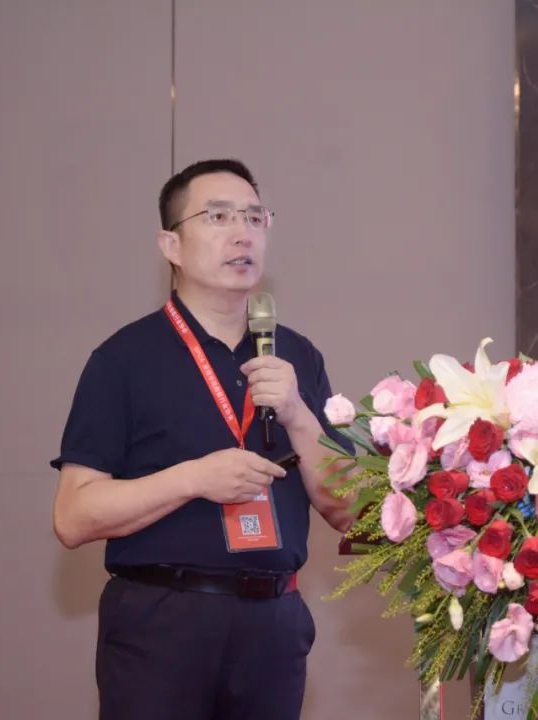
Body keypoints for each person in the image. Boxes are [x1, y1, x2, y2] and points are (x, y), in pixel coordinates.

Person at [50, 158, 354, 720]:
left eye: (254, 218)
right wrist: (192, 479)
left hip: (273, 626)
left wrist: (298, 414)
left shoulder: (297, 355)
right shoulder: (124, 359)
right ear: (171, 245)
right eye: (218, 217)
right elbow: (72, 517)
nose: (242, 233)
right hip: (161, 625)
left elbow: (352, 509)